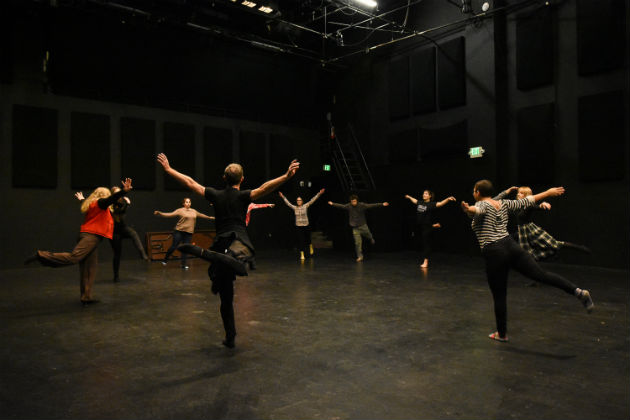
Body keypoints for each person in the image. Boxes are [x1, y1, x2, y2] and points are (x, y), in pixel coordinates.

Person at [156, 153, 299, 349]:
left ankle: (230, 335)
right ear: (242, 179)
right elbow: (266, 188)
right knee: (238, 260)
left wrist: (169, 169)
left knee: (226, 297)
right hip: (239, 241)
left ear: (224, 178)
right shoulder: (243, 195)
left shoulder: (216, 194)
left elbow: (190, 183)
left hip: (220, 244)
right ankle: (229, 261)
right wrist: (286, 176)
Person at [461, 179, 594, 342]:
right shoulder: (503, 203)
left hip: (494, 251)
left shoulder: (481, 205)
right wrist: (548, 193)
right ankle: (577, 291)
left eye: (474, 191)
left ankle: (501, 334)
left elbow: (478, 210)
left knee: (500, 295)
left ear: (477, 193)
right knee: (541, 274)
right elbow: (528, 200)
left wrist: (469, 208)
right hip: (511, 245)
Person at [24, 178, 134, 305]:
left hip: (92, 238)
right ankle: (41, 255)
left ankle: (86, 296)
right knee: (74, 257)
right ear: (104, 195)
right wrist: (123, 192)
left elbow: (101, 204)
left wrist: (82, 199)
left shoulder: (93, 205)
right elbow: (110, 200)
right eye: (107, 195)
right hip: (90, 237)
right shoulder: (100, 203)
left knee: (89, 268)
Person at [494, 186, 591, 261]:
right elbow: (499, 204)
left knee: (555, 244)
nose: (519, 195)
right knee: (528, 254)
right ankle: (536, 279)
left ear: (526, 196)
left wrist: (542, 205)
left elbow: (536, 206)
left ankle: (580, 248)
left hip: (530, 230)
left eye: (522, 193)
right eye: (518, 193)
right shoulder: (515, 206)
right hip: (521, 232)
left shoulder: (528, 205)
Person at [75, 186, 149, 282]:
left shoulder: (115, 202)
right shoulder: (108, 203)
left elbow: (92, 206)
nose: (119, 196)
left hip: (120, 228)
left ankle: (143, 254)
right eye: (116, 193)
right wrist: (126, 197)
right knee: (117, 254)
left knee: (133, 233)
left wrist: (82, 200)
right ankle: (116, 276)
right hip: (112, 232)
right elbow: (113, 208)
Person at [153, 198, 214, 270]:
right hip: (179, 231)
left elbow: (202, 215)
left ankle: (183, 265)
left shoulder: (193, 211)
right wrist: (160, 213)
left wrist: (211, 218)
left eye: (189, 202)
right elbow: (169, 214)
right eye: (186, 202)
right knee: (174, 246)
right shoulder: (180, 210)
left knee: (186, 248)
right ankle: (165, 259)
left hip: (189, 233)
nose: (188, 203)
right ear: (183, 203)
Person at [328, 195, 389, 262]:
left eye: (354, 201)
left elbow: (371, 205)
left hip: (363, 226)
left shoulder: (362, 205)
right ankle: (360, 256)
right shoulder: (349, 206)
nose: (353, 203)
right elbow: (341, 206)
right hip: (355, 228)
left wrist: (382, 204)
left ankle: (371, 238)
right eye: (352, 202)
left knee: (368, 234)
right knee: (357, 243)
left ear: (357, 201)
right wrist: (333, 204)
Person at [404, 190, 456, 268]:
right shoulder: (420, 202)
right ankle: (434, 226)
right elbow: (414, 200)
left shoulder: (431, 204)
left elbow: (441, 203)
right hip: (419, 225)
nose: (424, 195)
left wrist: (448, 199)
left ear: (430, 196)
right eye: (423, 193)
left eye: (426, 194)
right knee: (418, 240)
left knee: (426, 243)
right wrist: (409, 197)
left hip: (426, 226)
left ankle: (425, 262)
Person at [279, 188, 325, 260]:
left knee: (308, 239)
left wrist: (319, 193)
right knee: (301, 240)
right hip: (298, 226)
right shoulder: (295, 208)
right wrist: (283, 197)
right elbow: (288, 203)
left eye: (300, 200)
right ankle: (302, 254)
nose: (298, 201)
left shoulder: (305, 206)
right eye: (297, 200)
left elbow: (312, 200)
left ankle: (310, 247)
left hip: (306, 225)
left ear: (302, 201)